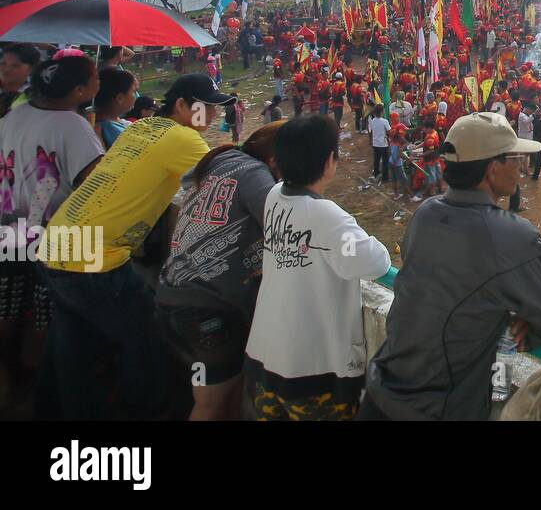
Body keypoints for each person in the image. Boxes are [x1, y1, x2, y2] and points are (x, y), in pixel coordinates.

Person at [39, 72, 231, 419]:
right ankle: (146, 411)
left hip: (58, 238)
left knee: (71, 344)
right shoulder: (184, 138)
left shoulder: (140, 128)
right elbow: (227, 183)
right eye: (206, 109)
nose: (212, 117)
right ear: (182, 105)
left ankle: (55, 410)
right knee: (147, 336)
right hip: (94, 254)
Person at [362, 111, 541, 420]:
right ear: (493, 170)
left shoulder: (426, 214)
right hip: (439, 411)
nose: (522, 165)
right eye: (514, 157)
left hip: (379, 395)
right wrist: (510, 321)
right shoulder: (515, 238)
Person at [244, 115, 390, 420]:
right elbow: (378, 261)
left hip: (265, 361)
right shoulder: (327, 217)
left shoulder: (274, 196)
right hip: (313, 375)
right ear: (329, 161)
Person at [156, 121, 284, 420]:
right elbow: (286, 226)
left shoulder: (225, 164)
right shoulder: (254, 174)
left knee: (228, 391)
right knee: (211, 401)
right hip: (204, 311)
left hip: (179, 297)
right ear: (275, 160)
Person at [0, 52, 103, 406]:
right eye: (94, 77)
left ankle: (14, 374)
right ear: (78, 89)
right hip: (59, 233)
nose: (99, 82)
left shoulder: (16, 114)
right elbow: (96, 186)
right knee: (53, 312)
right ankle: (47, 384)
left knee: (10, 305)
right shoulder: (73, 127)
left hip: (8, 223)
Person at [91, 66, 137, 149]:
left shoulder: (114, 122)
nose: (136, 96)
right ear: (120, 98)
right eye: (134, 91)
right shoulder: (111, 130)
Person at [0, 42, 40, 118]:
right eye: (3, 63)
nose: (7, 69)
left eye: (15, 66)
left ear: (32, 68)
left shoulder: (36, 94)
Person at [367, 102, 390, 181]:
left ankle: (376, 173)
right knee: (385, 161)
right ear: (381, 112)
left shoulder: (373, 120)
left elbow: (371, 131)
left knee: (376, 160)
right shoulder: (384, 121)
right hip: (383, 144)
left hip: (375, 143)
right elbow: (389, 131)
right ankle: (385, 177)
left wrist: (370, 140)